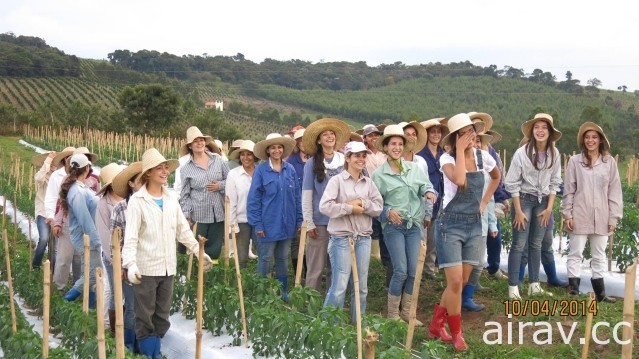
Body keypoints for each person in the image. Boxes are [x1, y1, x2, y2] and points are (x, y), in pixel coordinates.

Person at [122, 148, 213, 358]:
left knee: (162, 317)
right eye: (159, 168)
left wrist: (198, 251)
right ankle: (149, 354)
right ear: (147, 174)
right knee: (145, 317)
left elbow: (182, 229)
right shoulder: (138, 201)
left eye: (165, 168)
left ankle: (151, 349)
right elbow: (131, 237)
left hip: (167, 268)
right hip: (145, 269)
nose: (164, 172)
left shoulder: (171, 198)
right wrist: (131, 264)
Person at [426, 113, 499, 351]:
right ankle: (457, 332)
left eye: (471, 132)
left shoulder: (483, 157)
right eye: (463, 133)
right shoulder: (446, 159)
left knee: (463, 280)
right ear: (456, 137)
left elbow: (496, 177)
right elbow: (459, 180)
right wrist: (459, 150)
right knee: (455, 282)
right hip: (450, 225)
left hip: (474, 225)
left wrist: (484, 202)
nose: (469, 136)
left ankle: (437, 323)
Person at [371, 124, 437, 327]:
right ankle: (392, 314)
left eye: (400, 144)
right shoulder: (379, 175)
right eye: (393, 144)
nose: (397, 147)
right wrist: (387, 211)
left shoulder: (414, 169)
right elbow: (374, 204)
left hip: (414, 226)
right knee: (400, 269)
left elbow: (427, 185)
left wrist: (429, 194)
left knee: (413, 271)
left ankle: (408, 313)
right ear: (386, 147)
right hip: (393, 227)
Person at [319, 141, 383, 323]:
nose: (361, 159)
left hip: (363, 238)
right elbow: (325, 207)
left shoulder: (369, 183)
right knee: (339, 285)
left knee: (361, 286)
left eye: (363, 155)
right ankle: (329, 326)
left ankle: (358, 325)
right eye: (357, 155)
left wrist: (362, 204)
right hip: (341, 238)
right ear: (347, 158)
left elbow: (378, 207)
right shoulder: (336, 181)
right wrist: (348, 208)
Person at [562, 122, 622, 302]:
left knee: (599, 255)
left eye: (594, 137)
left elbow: (615, 191)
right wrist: (568, 214)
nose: (590, 140)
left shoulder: (609, 162)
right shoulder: (575, 162)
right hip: (580, 213)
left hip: (602, 215)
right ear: (583, 140)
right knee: (576, 252)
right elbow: (569, 190)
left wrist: (613, 216)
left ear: (600, 140)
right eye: (587, 137)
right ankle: (573, 290)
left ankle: (600, 294)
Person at [505, 113, 562, 299]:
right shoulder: (521, 153)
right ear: (532, 131)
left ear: (550, 132)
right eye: (537, 127)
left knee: (536, 244)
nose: (540, 131)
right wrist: (519, 210)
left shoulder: (555, 153)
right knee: (519, 244)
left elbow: (555, 182)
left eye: (544, 127)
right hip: (523, 199)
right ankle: (513, 287)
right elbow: (511, 182)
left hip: (544, 201)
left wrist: (549, 208)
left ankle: (534, 284)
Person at [248, 133, 302, 302]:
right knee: (265, 258)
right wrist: (258, 224)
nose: (277, 150)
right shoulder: (261, 171)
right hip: (268, 223)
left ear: (283, 150)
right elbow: (254, 199)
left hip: (287, 224)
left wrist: (299, 220)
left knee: (282, 258)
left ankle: (282, 292)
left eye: (279, 147)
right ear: (268, 151)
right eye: (273, 148)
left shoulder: (290, 170)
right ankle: (262, 292)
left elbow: (297, 197)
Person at [301, 118, 351, 293]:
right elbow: (307, 194)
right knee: (315, 267)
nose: (329, 137)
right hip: (320, 221)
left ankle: (332, 306)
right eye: (325, 134)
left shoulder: (345, 161)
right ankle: (310, 303)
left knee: (336, 267)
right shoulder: (311, 164)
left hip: (340, 220)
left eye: (332, 134)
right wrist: (309, 222)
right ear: (319, 140)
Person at [60, 154, 104, 309]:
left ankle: (92, 309)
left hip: (88, 236)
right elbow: (84, 219)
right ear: (87, 168)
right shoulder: (77, 191)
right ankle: (65, 302)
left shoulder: (80, 187)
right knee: (93, 274)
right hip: (86, 238)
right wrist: (97, 241)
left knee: (94, 273)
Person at [179, 126, 229, 259]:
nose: (199, 143)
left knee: (214, 247)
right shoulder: (186, 169)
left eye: (201, 140)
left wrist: (220, 185)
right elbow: (184, 195)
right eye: (195, 141)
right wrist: (187, 214)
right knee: (197, 248)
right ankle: (196, 275)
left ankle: (211, 276)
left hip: (218, 212)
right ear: (190, 146)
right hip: (199, 214)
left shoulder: (218, 160)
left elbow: (230, 180)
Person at [461, 133, 498, 312]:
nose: (474, 144)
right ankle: (455, 297)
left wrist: (492, 224)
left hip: (480, 222)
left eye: (477, 141)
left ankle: (467, 297)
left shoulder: (486, 167)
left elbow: (489, 200)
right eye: (472, 140)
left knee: (478, 263)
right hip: (460, 221)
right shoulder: (458, 162)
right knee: (461, 264)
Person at [110, 161, 143, 352]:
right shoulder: (121, 209)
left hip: (150, 264)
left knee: (146, 308)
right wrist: (122, 266)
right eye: (140, 180)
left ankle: (143, 344)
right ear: (131, 184)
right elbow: (115, 243)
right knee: (131, 307)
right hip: (130, 265)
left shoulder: (154, 205)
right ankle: (129, 346)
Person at [359, 124, 393, 287]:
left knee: (385, 227)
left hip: (385, 194)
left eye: (376, 135)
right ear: (364, 138)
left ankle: (385, 260)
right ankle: (371, 257)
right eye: (370, 135)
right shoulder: (362, 154)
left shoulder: (385, 153)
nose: (373, 137)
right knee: (372, 227)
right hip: (368, 194)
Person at [417, 118, 449, 281]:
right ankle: (418, 270)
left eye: (438, 132)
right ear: (427, 134)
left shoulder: (444, 155)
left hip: (441, 199)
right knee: (423, 235)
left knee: (434, 237)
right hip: (425, 199)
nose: (436, 135)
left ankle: (429, 269)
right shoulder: (420, 155)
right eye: (433, 132)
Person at [95, 163, 124, 333]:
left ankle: (118, 323)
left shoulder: (128, 199)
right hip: (111, 255)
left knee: (122, 292)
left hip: (127, 255)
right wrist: (114, 259)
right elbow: (105, 236)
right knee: (112, 290)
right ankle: (108, 325)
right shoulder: (103, 205)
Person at [227, 140, 257, 269]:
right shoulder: (233, 175)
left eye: (249, 154)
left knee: (264, 255)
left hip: (259, 220)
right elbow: (231, 201)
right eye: (242, 154)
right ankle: (241, 285)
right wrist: (232, 225)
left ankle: (263, 284)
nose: (246, 158)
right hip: (241, 220)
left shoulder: (260, 172)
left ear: (254, 156)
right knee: (241, 257)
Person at [286, 128, 308, 276]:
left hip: (314, 205)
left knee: (313, 240)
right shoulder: (291, 162)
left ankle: (312, 270)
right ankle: (299, 272)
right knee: (297, 240)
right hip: (296, 205)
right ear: (297, 143)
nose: (304, 144)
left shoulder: (317, 159)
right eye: (301, 141)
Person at [31, 151, 56, 269]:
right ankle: (36, 265)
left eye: (55, 164)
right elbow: (38, 177)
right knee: (44, 238)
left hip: (56, 215)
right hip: (43, 214)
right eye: (51, 164)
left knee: (55, 244)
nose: (53, 166)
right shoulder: (43, 177)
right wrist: (48, 160)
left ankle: (53, 268)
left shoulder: (59, 178)